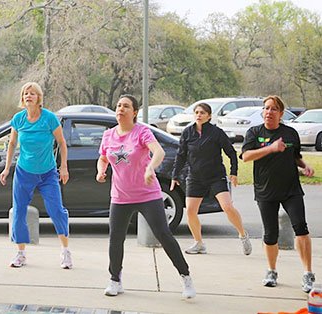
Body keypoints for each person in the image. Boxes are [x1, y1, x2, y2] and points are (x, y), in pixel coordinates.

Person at [96, 94, 195, 298]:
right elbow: (103, 157)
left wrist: (150, 168)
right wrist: (101, 170)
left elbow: (158, 152)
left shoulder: (142, 132)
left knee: (163, 235)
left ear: (134, 112)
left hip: (147, 194)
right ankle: (115, 280)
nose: (120, 109)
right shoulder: (109, 135)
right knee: (115, 239)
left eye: (125, 106)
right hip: (120, 196)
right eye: (118, 105)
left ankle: (186, 277)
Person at [241, 95, 315, 292]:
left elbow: (295, 156)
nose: (269, 112)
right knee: (270, 234)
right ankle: (271, 270)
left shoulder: (290, 133)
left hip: (291, 189)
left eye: (274, 109)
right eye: (266, 108)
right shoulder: (254, 133)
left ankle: (308, 273)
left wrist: (305, 165)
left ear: (281, 113)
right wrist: (271, 148)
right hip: (266, 190)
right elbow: (246, 156)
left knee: (301, 228)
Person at [0, 82, 72, 269]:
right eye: (25, 93)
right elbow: (12, 144)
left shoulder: (49, 118)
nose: (28, 96)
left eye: (32, 93)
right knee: (19, 211)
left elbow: (62, 143)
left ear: (39, 98)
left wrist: (63, 167)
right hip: (24, 172)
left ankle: (65, 252)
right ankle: (21, 253)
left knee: (56, 210)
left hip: (48, 173)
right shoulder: (18, 119)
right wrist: (7, 168)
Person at [170, 102, 252, 255]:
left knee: (227, 207)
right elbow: (181, 156)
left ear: (209, 116)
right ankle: (199, 243)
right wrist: (175, 175)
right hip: (195, 177)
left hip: (216, 176)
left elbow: (231, 153)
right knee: (190, 211)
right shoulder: (188, 132)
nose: (198, 115)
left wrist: (233, 173)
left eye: (202, 113)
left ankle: (242, 234)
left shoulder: (216, 133)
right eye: (196, 112)